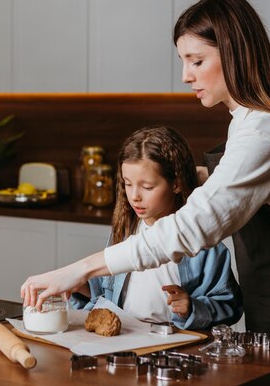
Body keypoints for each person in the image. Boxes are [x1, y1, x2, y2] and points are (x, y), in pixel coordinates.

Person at [21, 0, 270, 386]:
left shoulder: (263, 131)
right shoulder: (248, 120)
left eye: (197, 61)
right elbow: (231, 190)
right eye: (184, 61)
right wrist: (184, 180)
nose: (187, 76)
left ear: (234, 54)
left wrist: (79, 269)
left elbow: (192, 227)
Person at [70, 126, 243, 330]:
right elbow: (106, 293)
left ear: (176, 184)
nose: (134, 196)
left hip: (175, 349)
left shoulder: (204, 245)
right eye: (127, 184)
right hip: (125, 342)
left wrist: (192, 307)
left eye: (147, 187)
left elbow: (230, 305)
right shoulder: (124, 232)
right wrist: (82, 288)